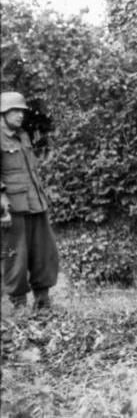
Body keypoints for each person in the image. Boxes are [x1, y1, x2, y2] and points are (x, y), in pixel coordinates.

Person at [1, 91, 59, 310]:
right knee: (15, 256)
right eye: (14, 110)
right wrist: (2, 208)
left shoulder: (24, 136)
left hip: (35, 203)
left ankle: (43, 301)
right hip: (12, 208)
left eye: (21, 111)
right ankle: (19, 305)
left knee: (44, 252)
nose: (20, 115)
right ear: (3, 113)